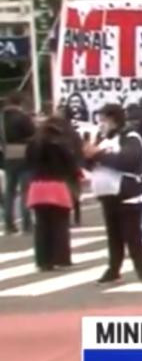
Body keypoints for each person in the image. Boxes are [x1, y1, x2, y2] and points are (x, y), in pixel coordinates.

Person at [84, 104, 142, 285]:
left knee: (132, 234)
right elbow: (89, 162)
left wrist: (98, 155)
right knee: (113, 234)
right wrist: (87, 156)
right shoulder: (102, 138)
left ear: (114, 119)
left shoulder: (131, 137)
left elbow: (128, 161)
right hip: (108, 194)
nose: (101, 124)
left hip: (128, 192)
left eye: (104, 120)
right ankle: (114, 268)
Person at [25, 115, 81, 271]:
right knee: (60, 224)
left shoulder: (33, 144)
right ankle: (61, 258)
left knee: (41, 225)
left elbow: (28, 163)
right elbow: (71, 164)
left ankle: (43, 261)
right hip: (56, 185)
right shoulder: (59, 144)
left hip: (37, 186)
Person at [1, 94, 35, 234]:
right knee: (25, 190)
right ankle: (27, 224)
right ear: (20, 103)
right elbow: (32, 134)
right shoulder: (23, 117)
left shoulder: (2, 119)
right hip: (24, 152)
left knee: (9, 191)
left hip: (7, 153)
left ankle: (9, 224)